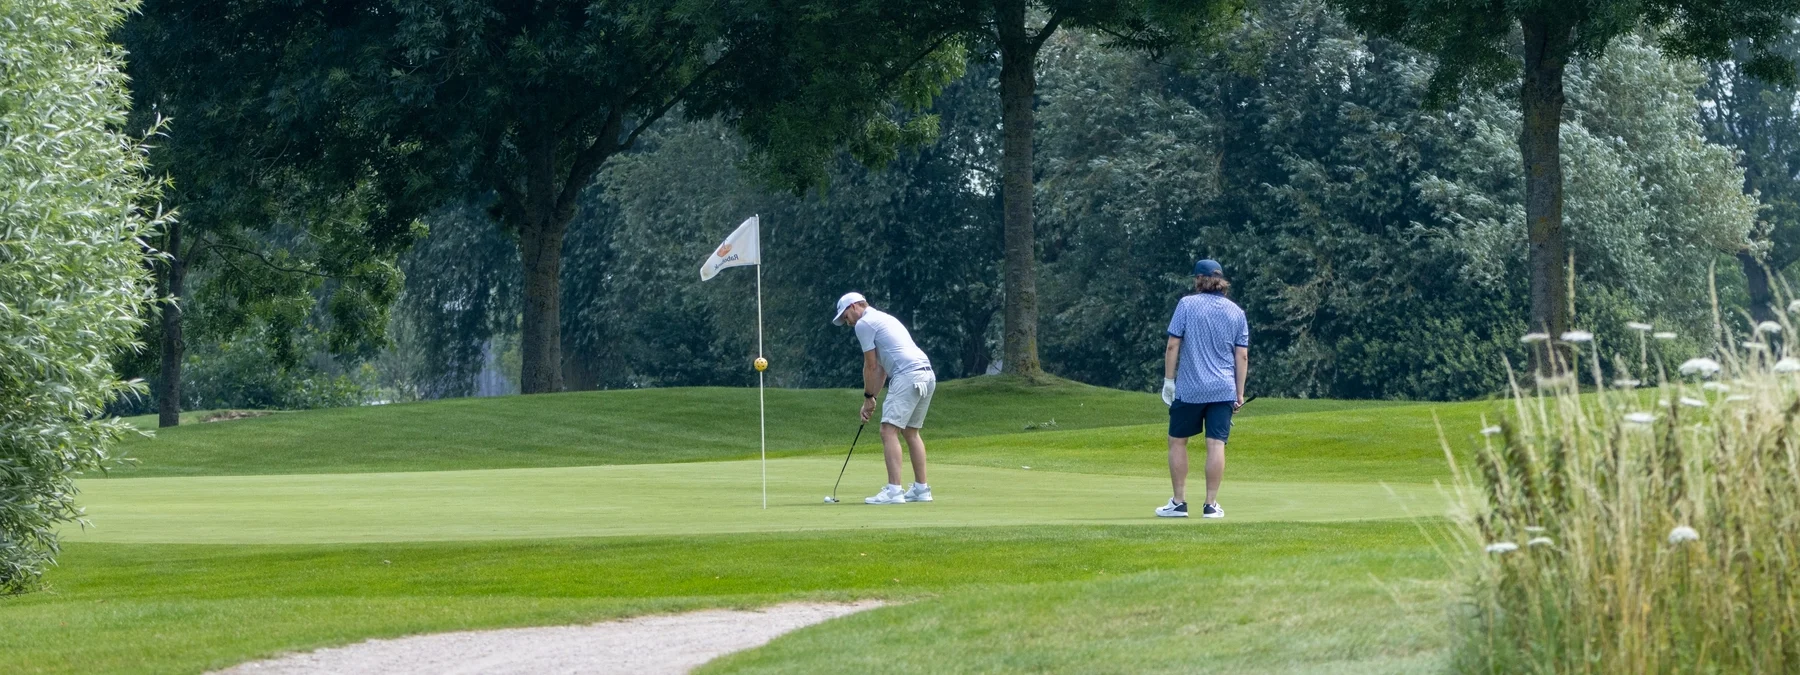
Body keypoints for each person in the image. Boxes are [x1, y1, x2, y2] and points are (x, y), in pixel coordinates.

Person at [1156, 259, 1248, 519]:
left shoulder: (1186, 304)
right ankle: (1210, 505)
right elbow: (1242, 355)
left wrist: (1168, 380)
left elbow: (1173, 345)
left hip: (1190, 388)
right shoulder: (1236, 312)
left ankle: (1179, 503)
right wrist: (1239, 393)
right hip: (1223, 389)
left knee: (1177, 441)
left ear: (1198, 279)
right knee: (1216, 444)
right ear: (1221, 281)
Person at [832, 292, 936, 505]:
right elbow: (880, 369)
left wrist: (867, 397)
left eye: (845, 316)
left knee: (888, 431)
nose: (847, 322)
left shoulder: (864, 324)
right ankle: (921, 489)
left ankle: (894, 491)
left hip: (907, 375)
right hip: (926, 375)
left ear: (854, 306)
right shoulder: (885, 318)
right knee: (910, 432)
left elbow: (870, 366)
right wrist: (871, 398)